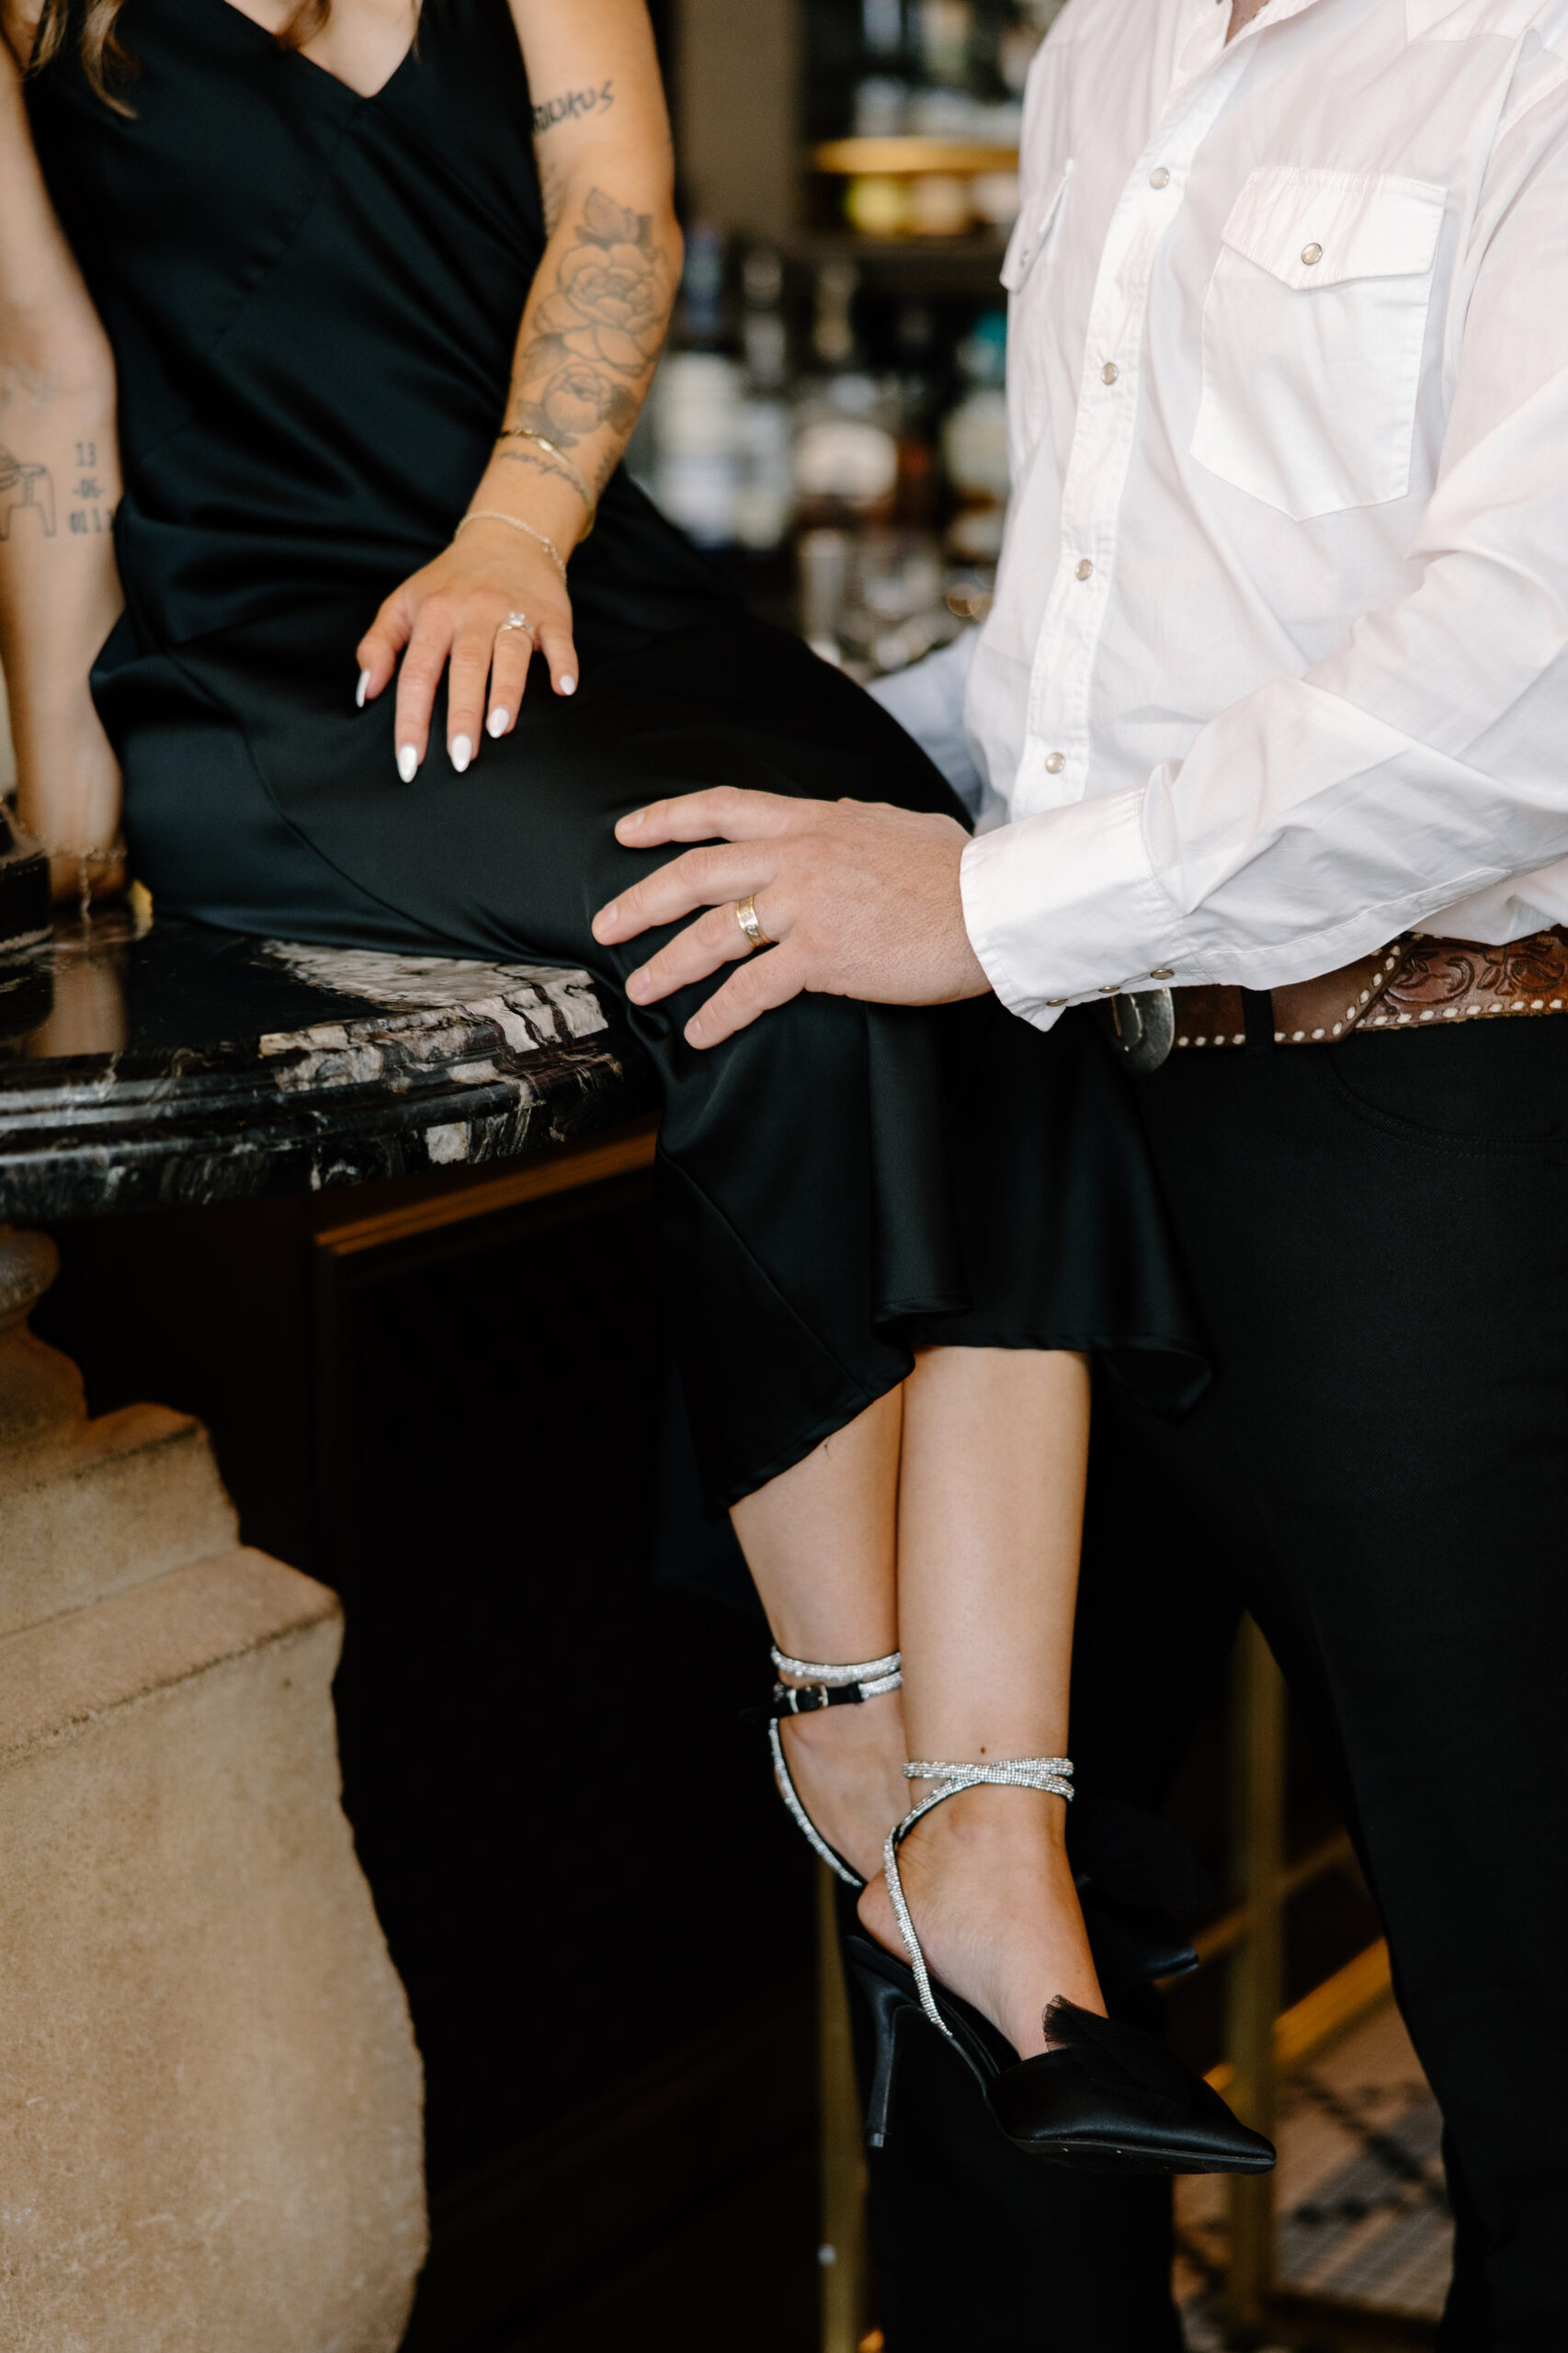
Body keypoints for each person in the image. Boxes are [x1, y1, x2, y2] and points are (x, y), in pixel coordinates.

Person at [0, 0, 1268, 2200]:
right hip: (281, 656)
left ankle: (1003, 1839)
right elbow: (47, 383)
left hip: (564, 597)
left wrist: (510, 538)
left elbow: (617, 214)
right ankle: (861, 1742)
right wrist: (75, 814)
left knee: (971, 938)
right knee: (756, 953)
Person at [605, 0, 1568, 2338]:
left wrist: (972, 906)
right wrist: (788, 768)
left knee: (1539, 2018)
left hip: (1440, 1117)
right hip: (1060, 1119)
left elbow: (1523, 677)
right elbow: (1089, 659)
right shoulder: (1105, 44)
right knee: (989, 1925)